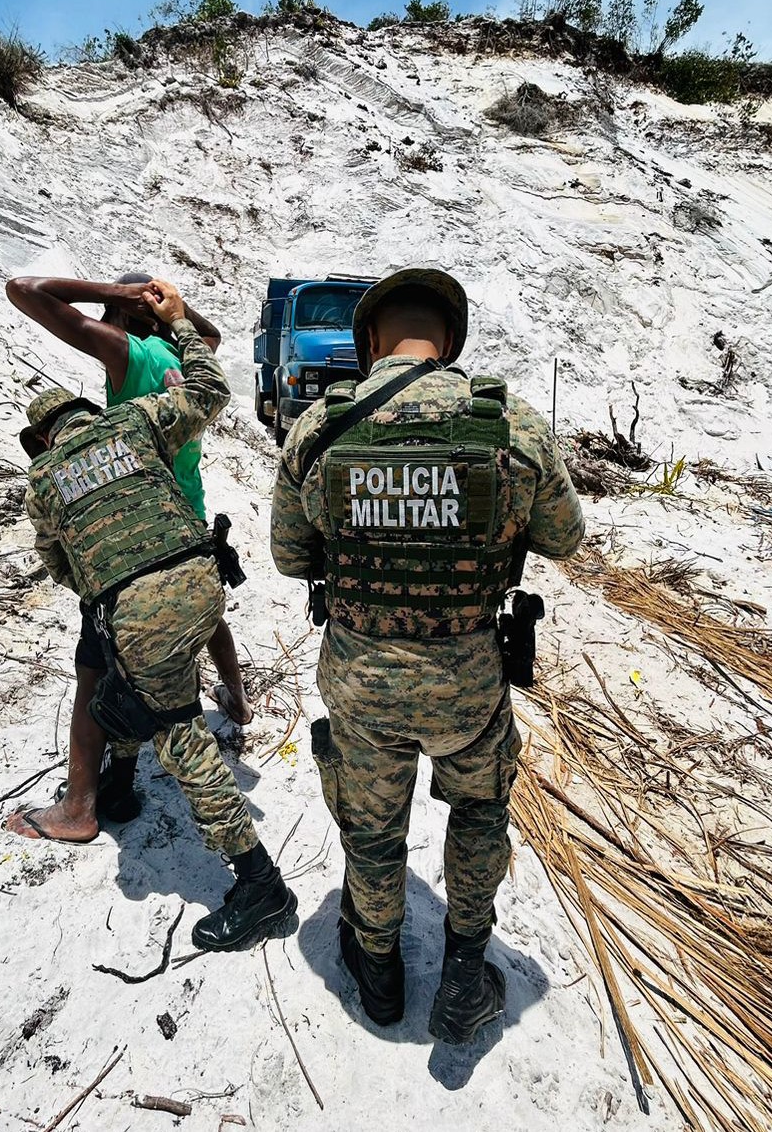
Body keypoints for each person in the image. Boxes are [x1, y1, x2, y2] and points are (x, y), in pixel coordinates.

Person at [269, 268, 584, 1042]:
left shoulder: (320, 428)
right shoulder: (508, 425)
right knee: (479, 814)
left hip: (362, 685)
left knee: (373, 835)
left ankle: (378, 977)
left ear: (369, 340)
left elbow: (286, 554)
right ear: (449, 340)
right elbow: (566, 538)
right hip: (467, 685)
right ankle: (463, 979)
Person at [7, 278, 296, 952]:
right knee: (131, 667)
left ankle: (261, 884)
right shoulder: (137, 416)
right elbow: (214, 390)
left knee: (174, 725)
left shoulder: (45, 480)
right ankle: (120, 783)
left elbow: (62, 567)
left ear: (45, 437)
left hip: (140, 607)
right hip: (200, 574)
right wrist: (185, 324)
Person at [5, 270, 254, 830]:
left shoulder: (127, 351)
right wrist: (175, 314)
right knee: (200, 606)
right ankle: (236, 699)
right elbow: (210, 338)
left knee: (96, 662)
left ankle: (80, 806)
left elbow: (24, 290)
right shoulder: (180, 351)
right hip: (184, 507)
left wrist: (120, 297)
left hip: (131, 520)